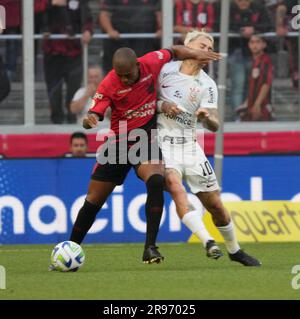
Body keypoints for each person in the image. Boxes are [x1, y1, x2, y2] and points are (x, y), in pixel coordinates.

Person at [67, 45, 221, 265]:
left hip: (144, 139)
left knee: (156, 180)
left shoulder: (151, 61)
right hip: (118, 143)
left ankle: (150, 248)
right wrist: (89, 118)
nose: (125, 80)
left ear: (137, 66)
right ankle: (71, 247)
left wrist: (195, 53)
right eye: (120, 75)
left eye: (127, 75)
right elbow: (95, 110)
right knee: (94, 200)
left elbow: (174, 51)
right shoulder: (110, 83)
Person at [157, 30, 261, 266]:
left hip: (191, 148)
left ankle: (235, 251)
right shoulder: (165, 70)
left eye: (210, 47)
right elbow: (144, 102)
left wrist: (206, 118)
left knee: (215, 206)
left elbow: (215, 124)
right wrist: (162, 105)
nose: (207, 50)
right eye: (202, 45)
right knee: (174, 185)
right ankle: (207, 242)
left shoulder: (208, 84)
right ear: (187, 46)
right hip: (162, 143)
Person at [41, 0, 93, 124]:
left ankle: (72, 121)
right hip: (53, 54)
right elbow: (37, 15)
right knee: (54, 93)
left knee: (73, 91)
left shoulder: (80, 3)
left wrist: (88, 31)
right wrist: (51, 5)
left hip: (73, 54)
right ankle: (56, 121)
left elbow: (88, 20)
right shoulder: (47, 3)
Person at [99, 0, 161, 74]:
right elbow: (104, 14)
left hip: (145, 43)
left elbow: (160, 13)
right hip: (119, 43)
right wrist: (110, 30)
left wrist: (162, 29)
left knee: (144, 72)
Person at [236, 34, 274, 121]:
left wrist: (257, 104)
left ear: (264, 45)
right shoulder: (252, 62)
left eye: (258, 42)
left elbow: (266, 84)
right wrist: (246, 103)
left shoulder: (265, 60)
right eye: (252, 42)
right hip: (251, 105)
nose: (254, 45)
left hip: (262, 106)